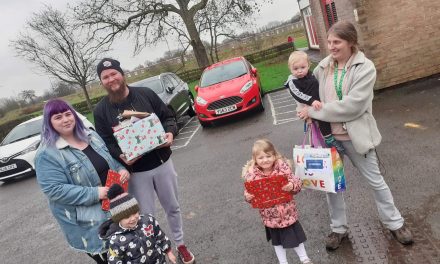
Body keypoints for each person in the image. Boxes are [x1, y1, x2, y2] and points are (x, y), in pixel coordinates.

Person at [297, 21, 414, 250]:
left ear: (351, 42)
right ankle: (338, 229)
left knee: (375, 181)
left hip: (355, 137)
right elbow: (308, 91)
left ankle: (395, 223)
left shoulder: (365, 67)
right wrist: (303, 108)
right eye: (329, 42)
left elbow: (354, 106)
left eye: (337, 42)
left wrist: (312, 110)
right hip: (328, 138)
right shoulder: (323, 67)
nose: (331, 47)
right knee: (332, 186)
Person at [93, 58, 195, 264]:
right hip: (136, 172)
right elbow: (106, 142)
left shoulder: (145, 94)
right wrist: (120, 156)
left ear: (121, 74)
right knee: (144, 216)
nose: (111, 79)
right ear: (101, 81)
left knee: (172, 207)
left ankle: (180, 244)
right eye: (105, 77)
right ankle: (155, 251)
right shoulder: (101, 110)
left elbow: (168, 117)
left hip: (162, 163)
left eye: (114, 74)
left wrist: (170, 133)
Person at [35, 99, 130, 263]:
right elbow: (54, 190)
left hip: (116, 207)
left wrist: (121, 169)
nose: (65, 120)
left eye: (67, 114)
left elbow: (109, 160)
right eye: (57, 117)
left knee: (132, 252)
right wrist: (96, 193)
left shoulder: (91, 136)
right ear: (49, 122)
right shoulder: (47, 154)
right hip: (92, 222)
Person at [242, 139, 313, 264]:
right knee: (277, 243)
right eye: (261, 157)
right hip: (270, 217)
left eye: (268, 156)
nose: (265, 160)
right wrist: (247, 197)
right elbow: (249, 194)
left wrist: (292, 185)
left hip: (288, 213)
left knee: (297, 239)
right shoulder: (252, 176)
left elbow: (297, 182)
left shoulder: (283, 169)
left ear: (274, 155)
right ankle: (283, 262)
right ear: (255, 159)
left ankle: (304, 259)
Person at [99, 184, 177, 264]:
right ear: (118, 219)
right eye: (127, 217)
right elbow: (114, 259)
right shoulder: (116, 239)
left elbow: (160, 237)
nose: (133, 218)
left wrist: (169, 252)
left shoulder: (148, 221)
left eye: (135, 212)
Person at [285, 50, 344, 153]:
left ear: (308, 65)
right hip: (311, 105)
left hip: (319, 102)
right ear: (290, 69)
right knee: (321, 120)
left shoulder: (311, 74)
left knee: (325, 118)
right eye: (295, 69)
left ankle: (330, 140)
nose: (299, 71)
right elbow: (298, 95)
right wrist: (311, 101)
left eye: (303, 67)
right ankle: (329, 140)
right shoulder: (292, 81)